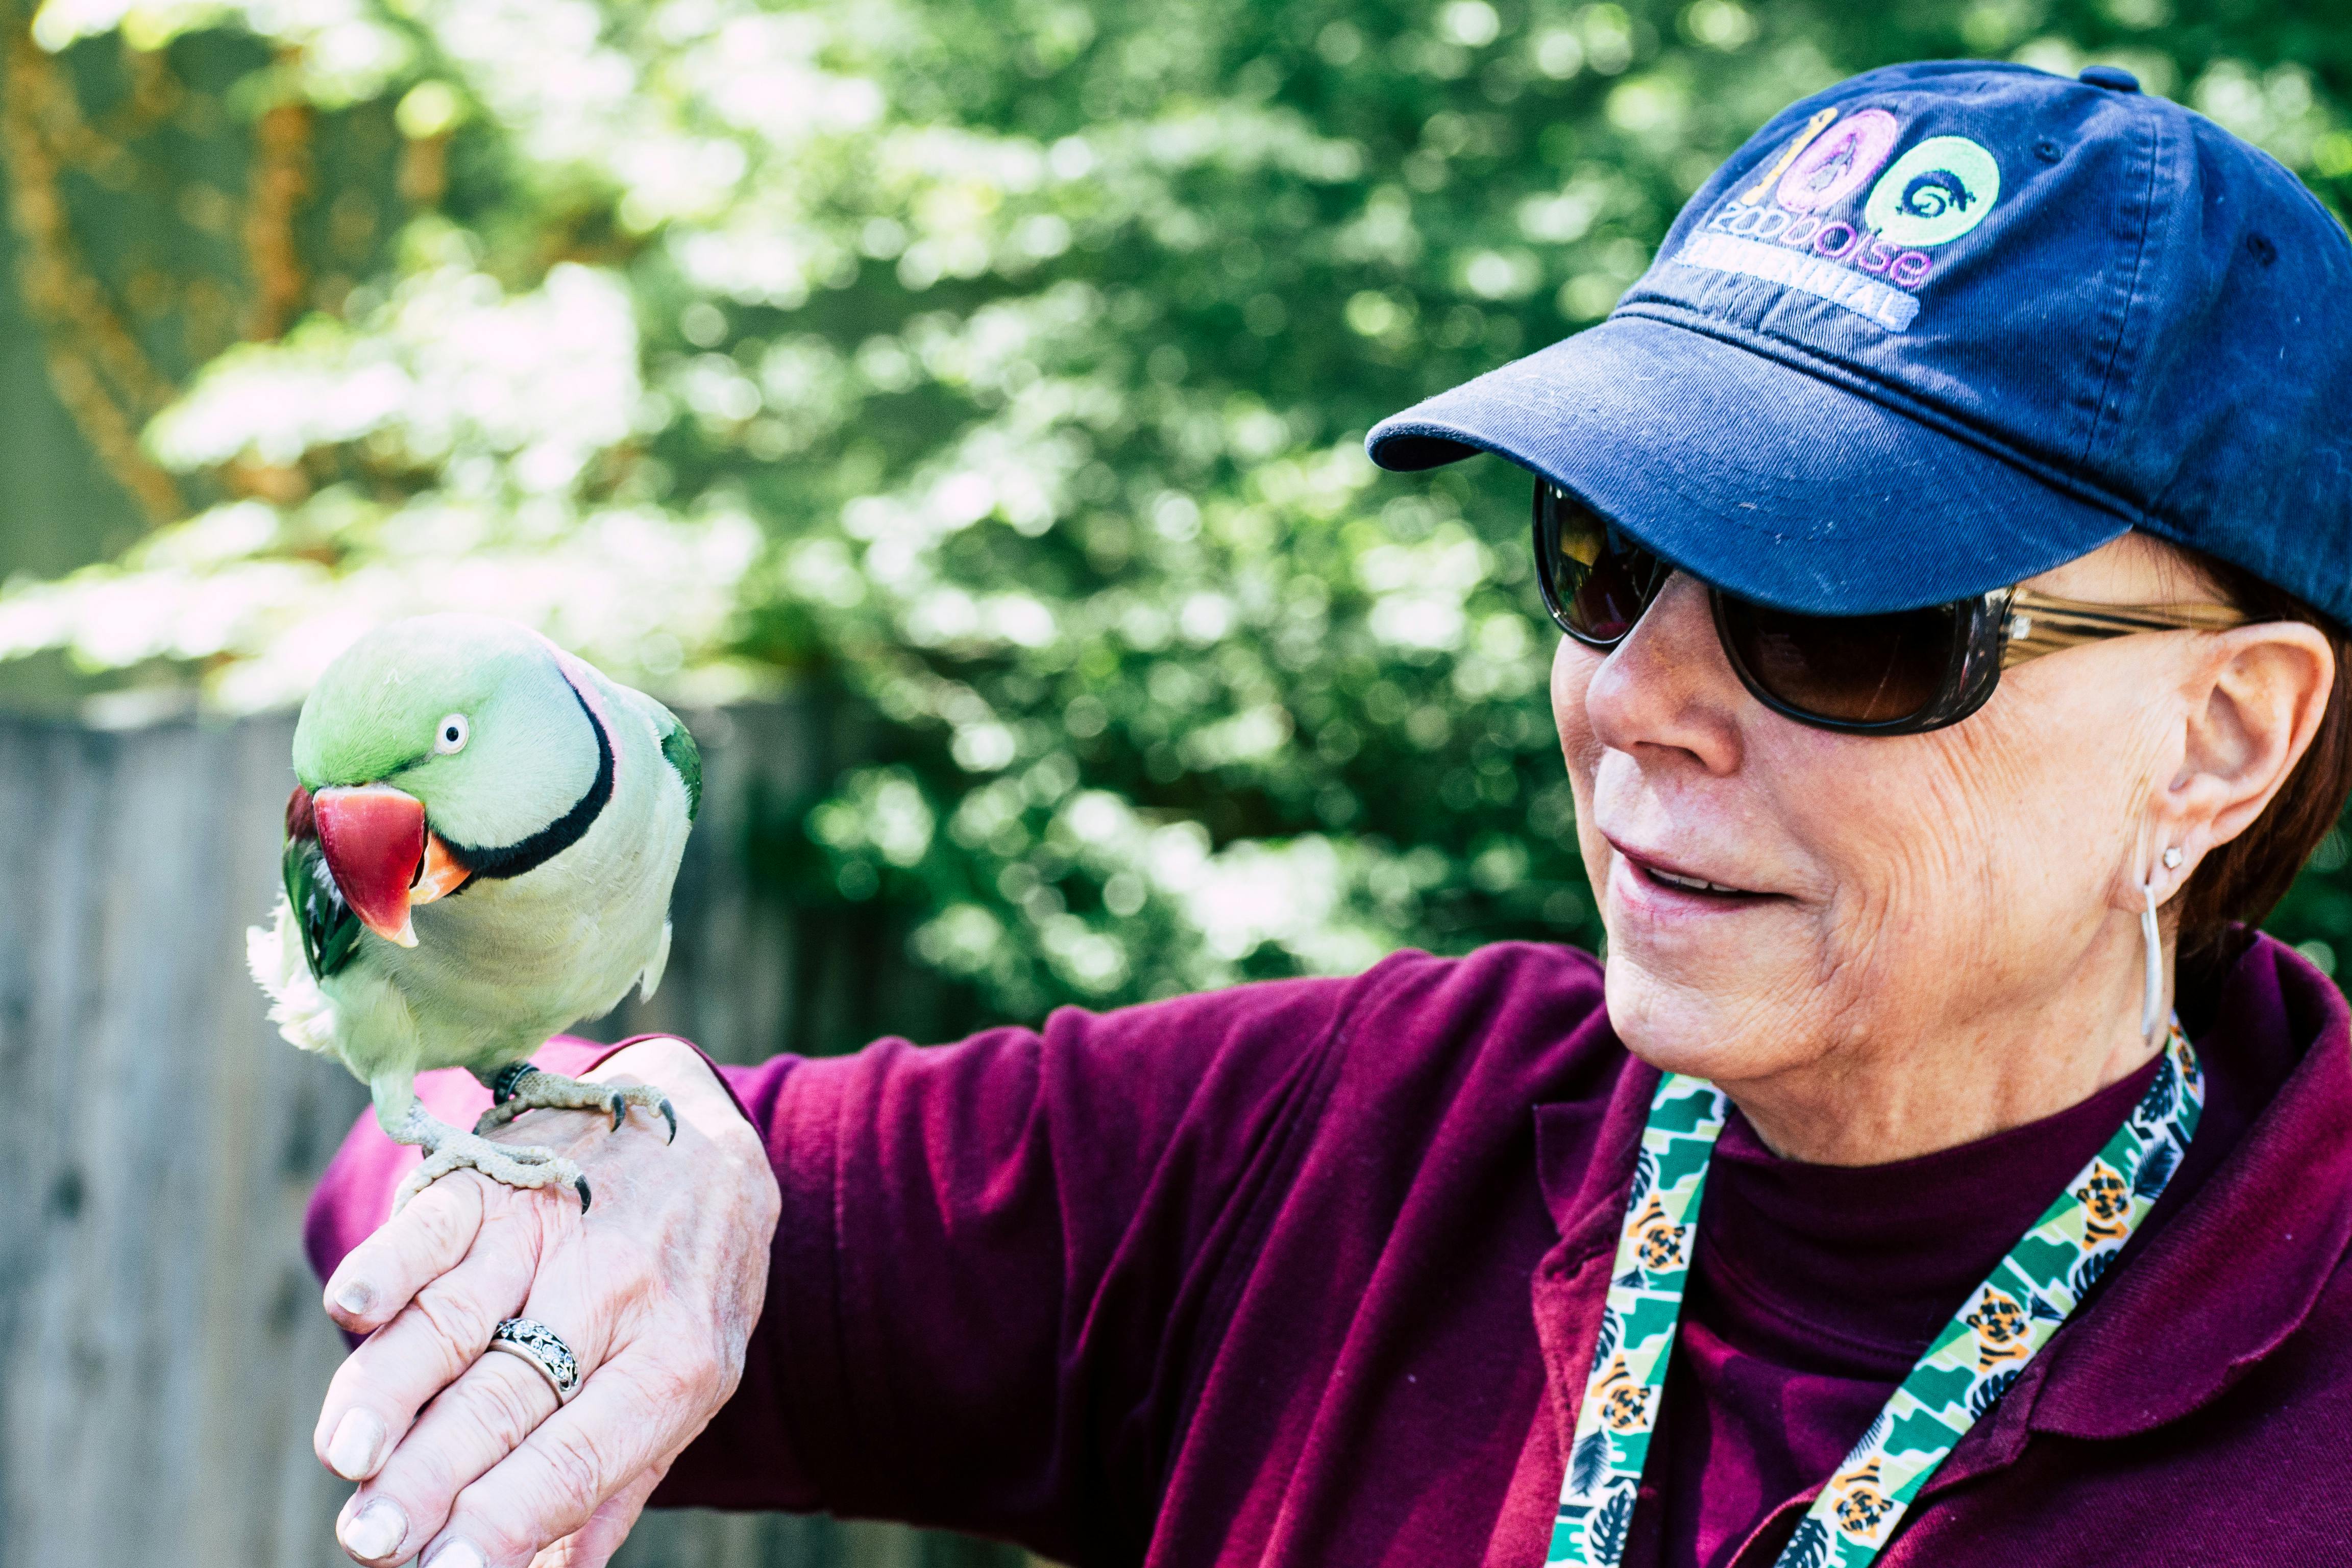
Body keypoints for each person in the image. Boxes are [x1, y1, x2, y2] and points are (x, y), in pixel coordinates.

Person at [299, 60, 2352, 1568]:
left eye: (1857, 620)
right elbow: (386, 1199)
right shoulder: (1350, 1146)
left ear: (2225, 737)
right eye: (1603, 551)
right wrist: (611, 1165)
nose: (1634, 691)